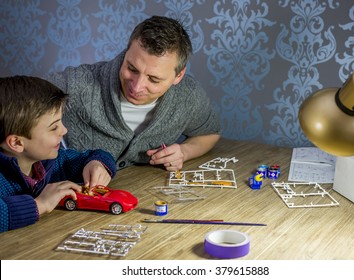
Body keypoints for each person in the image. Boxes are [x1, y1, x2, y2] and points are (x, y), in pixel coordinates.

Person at [47, 15, 221, 171]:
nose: (137, 87)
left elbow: (209, 133)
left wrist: (184, 151)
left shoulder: (189, 95)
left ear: (178, 75)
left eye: (153, 79)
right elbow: (21, 101)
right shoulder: (77, 82)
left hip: (143, 192)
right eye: (132, 68)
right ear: (126, 53)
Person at [0, 76, 116, 232]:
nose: (64, 130)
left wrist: (97, 164)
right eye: (54, 128)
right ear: (17, 143)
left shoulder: (52, 161)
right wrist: (40, 204)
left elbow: (96, 155)